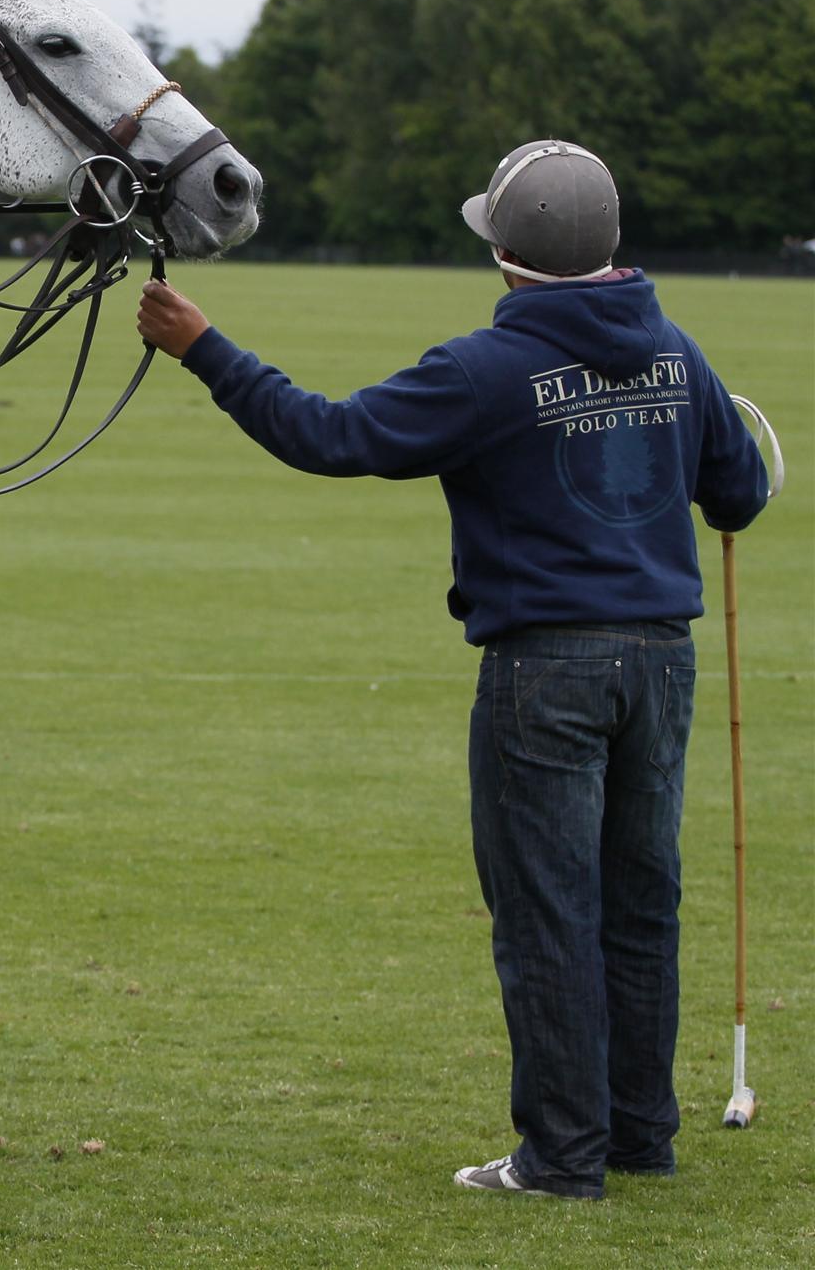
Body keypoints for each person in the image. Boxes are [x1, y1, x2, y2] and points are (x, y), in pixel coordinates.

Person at [135, 140, 770, 1199]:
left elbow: (329, 435)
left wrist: (204, 346)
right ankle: (634, 1136)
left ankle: (563, 1157)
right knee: (637, 901)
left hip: (546, 670)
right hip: (661, 663)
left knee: (546, 914)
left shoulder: (484, 367)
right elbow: (738, 494)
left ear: (506, 255)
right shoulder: (676, 349)